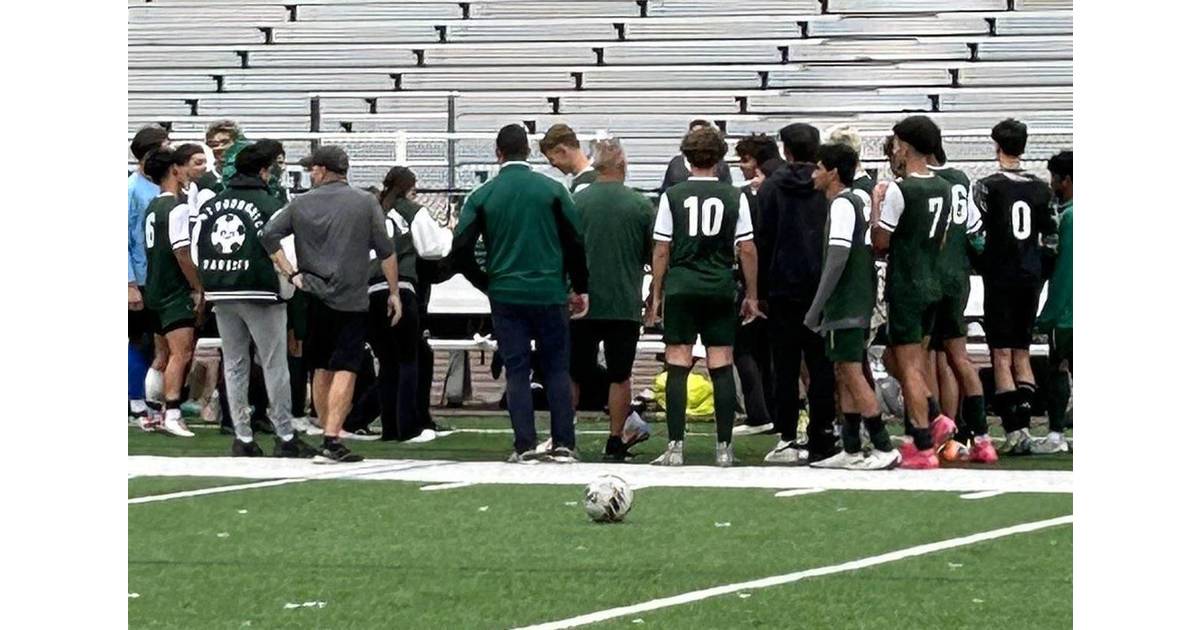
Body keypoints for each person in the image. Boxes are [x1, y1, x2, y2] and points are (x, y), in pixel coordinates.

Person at [449, 124, 589, 464]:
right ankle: (564, 444)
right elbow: (575, 242)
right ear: (528, 151)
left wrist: (487, 282)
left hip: (506, 293)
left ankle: (524, 444)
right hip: (549, 292)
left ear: (498, 154)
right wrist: (579, 287)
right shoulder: (553, 190)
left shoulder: (482, 195)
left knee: (516, 369)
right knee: (557, 368)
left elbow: (461, 251)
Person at [262, 145, 403, 464]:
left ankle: (327, 432)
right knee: (347, 367)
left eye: (312, 168)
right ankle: (332, 437)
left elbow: (268, 234)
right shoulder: (366, 202)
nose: (310, 173)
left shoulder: (301, 204)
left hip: (312, 293)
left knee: (321, 367)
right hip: (352, 297)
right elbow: (386, 250)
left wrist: (290, 271)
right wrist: (393, 292)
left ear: (323, 170)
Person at [646, 125, 764, 467]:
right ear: (720, 158)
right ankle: (724, 448)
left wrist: (656, 293)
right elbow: (747, 248)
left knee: (678, 362)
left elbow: (662, 249)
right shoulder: (735, 196)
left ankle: (674, 447)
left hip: (682, 284)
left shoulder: (673, 195)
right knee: (721, 363)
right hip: (718, 284)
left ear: (686, 158)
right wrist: (752, 294)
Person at [194, 141, 318, 458]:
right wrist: (289, 284)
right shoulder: (271, 204)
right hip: (261, 290)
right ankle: (285, 434)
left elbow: (197, 250)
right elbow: (284, 250)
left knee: (235, 364)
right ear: (264, 171)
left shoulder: (212, 205)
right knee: (274, 364)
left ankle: (243, 436)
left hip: (221, 290)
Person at [803, 143, 898, 470]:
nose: (814, 174)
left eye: (818, 168)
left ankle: (883, 445)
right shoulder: (858, 198)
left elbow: (837, 257)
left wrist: (817, 306)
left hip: (845, 300)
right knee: (845, 370)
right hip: (859, 296)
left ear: (832, 172)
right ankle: (852, 446)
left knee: (853, 373)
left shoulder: (842, 204)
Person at [871, 115, 958, 469]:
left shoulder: (899, 189)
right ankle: (936, 416)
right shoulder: (944, 186)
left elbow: (881, 241)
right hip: (932, 280)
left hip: (906, 283)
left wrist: (876, 206)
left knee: (907, 365)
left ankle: (922, 441)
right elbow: (941, 239)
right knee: (901, 359)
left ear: (904, 146)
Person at [970, 118, 1056, 454]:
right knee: (1022, 352)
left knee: (1001, 353)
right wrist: (1040, 269)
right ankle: (1027, 423)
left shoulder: (988, 186)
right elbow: (1050, 237)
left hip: (1001, 275)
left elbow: (975, 234)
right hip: (1030, 275)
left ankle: (1015, 429)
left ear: (996, 146)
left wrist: (984, 264)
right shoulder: (1039, 188)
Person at [755, 122, 838, 464]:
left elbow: (762, 239)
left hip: (782, 285)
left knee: (785, 366)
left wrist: (757, 290)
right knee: (820, 365)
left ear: (786, 151)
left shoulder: (772, 187)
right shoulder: (826, 187)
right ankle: (822, 434)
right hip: (820, 284)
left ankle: (787, 435)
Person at [569, 138, 655, 461]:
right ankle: (615, 440)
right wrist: (653, 296)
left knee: (574, 371)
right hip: (623, 301)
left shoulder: (576, 202)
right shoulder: (641, 205)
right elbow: (656, 254)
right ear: (621, 165)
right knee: (620, 374)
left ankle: (566, 436)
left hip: (582, 301)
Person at [926, 131, 998, 464]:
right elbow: (974, 226)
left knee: (919, 357)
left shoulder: (923, 183)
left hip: (927, 279)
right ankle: (980, 437)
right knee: (957, 357)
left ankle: (940, 431)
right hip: (957, 278)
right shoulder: (960, 179)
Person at [369, 166, 452, 443]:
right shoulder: (412, 211)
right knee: (408, 359)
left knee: (387, 362)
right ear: (409, 188)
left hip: (369, 290)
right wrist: (449, 233)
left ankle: (389, 428)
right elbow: (433, 248)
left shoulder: (373, 209)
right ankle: (409, 427)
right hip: (400, 286)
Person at [141, 147, 204, 438]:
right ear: (174, 171)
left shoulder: (153, 206)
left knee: (161, 355)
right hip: (172, 289)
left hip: (153, 285)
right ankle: (173, 413)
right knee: (182, 352)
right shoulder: (177, 207)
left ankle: (153, 413)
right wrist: (197, 286)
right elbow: (181, 251)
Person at [730, 133, 781, 436]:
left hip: (759, 280)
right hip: (780, 278)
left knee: (744, 347)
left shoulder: (754, 194)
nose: (741, 166)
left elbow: (750, 243)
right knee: (768, 350)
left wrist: (752, 289)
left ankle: (759, 413)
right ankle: (773, 411)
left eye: (746, 159)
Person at [129, 125, 170, 428]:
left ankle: (155, 397)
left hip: (161, 275)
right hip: (140, 275)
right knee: (137, 339)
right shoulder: (131, 190)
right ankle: (134, 399)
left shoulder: (163, 186)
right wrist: (129, 283)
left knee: (157, 341)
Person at [1033, 150, 1072, 454]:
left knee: (1058, 368)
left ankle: (1057, 434)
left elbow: (1066, 271)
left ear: (1065, 180)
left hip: (1069, 315)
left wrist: (1049, 314)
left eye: (1054, 178)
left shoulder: (1069, 217)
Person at [659, 119, 732, 194]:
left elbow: (728, 190)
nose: (698, 140)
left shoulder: (721, 165)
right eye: (694, 134)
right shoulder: (676, 163)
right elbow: (665, 189)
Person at [539, 123, 596, 192]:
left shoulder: (582, 185)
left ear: (562, 151)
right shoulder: (600, 177)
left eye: (552, 159)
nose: (553, 165)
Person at [206, 119, 251, 185]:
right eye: (214, 144)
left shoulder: (252, 176)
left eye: (225, 142)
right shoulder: (203, 179)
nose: (219, 148)